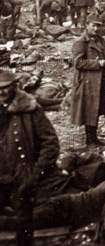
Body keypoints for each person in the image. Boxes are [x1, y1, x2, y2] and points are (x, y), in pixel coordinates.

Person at [0, 70, 61, 245]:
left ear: (15, 86)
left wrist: (35, 173)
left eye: (5, 88)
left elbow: (50, 142)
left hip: (22, 176)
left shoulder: (30, 109)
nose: (1, 93)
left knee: (23, 225)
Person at [71, 15, 105, 147]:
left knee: (96, 109)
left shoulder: (100, 40)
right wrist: (98, 63)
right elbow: (78, 63)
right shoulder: (80, 42)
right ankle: (90, 139)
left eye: (98, 26)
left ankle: (93, 136)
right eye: (93, 25)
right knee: (89, 109)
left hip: (99, 80)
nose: (96, 28)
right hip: (87, 82)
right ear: (87, 25)